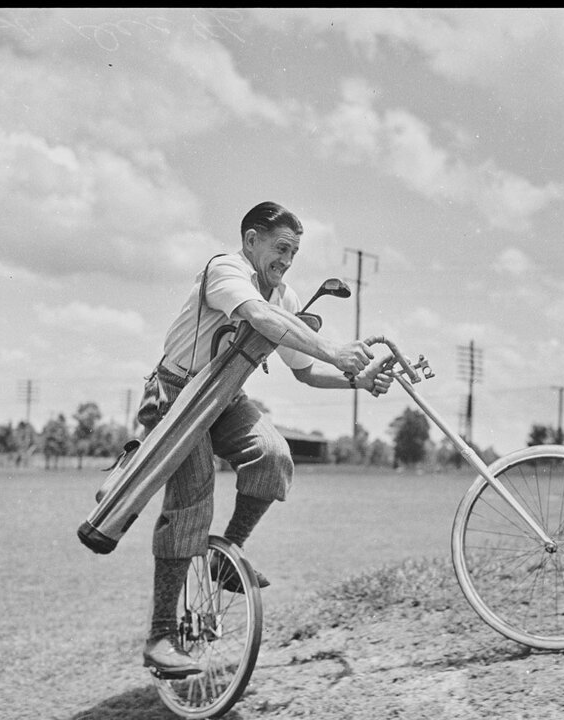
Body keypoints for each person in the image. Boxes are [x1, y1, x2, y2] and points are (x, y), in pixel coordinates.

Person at [141, 201, 394, 676]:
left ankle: (226, 558)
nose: (287, 261)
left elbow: (306, 372)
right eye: (281, 248)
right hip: (177, 395)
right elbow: (259, 316)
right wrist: (335, 350)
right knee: (191, 503)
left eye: (294, 253)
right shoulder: (225, 271)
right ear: (251, 240)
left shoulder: (286, 296)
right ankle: (160, 637)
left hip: (224, 396)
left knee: (274, 457)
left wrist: (356, 381)